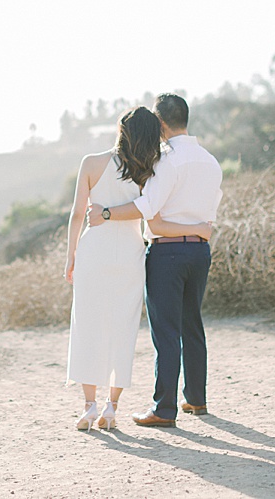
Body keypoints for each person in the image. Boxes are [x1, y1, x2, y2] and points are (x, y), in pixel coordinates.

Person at [64, 106, 211, 432]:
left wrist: (70, 255)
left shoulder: (91, 162)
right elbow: (147, 213)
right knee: (123, 328)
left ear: (121, 129)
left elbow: (77, 214)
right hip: (131, 254)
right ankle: (111, 407)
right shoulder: (150, 169)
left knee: (88, 325)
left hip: (94, 250)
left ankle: (89, 406)